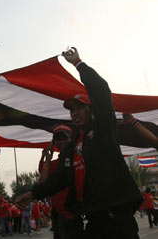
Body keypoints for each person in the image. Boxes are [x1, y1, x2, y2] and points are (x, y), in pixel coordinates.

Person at [16, 47, 143, 239]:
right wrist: (33, 193)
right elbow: (60, 179)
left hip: (116, 217)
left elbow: (101, 92)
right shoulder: (72, 146)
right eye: (71, 110)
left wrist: (78, 63)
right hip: (91, 218)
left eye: (80, 108)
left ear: (92, 112)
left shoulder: (104, 132)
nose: (75, 113)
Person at [37, 124, 83, 239]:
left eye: (65, 138)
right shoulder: (52, 164)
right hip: (58, 215)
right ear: (53, 143)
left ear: (71, 139)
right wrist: (47, 157)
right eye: (58, 139)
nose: (62, 141)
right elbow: (42, 183)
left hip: (74, 214)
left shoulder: (79, 158)